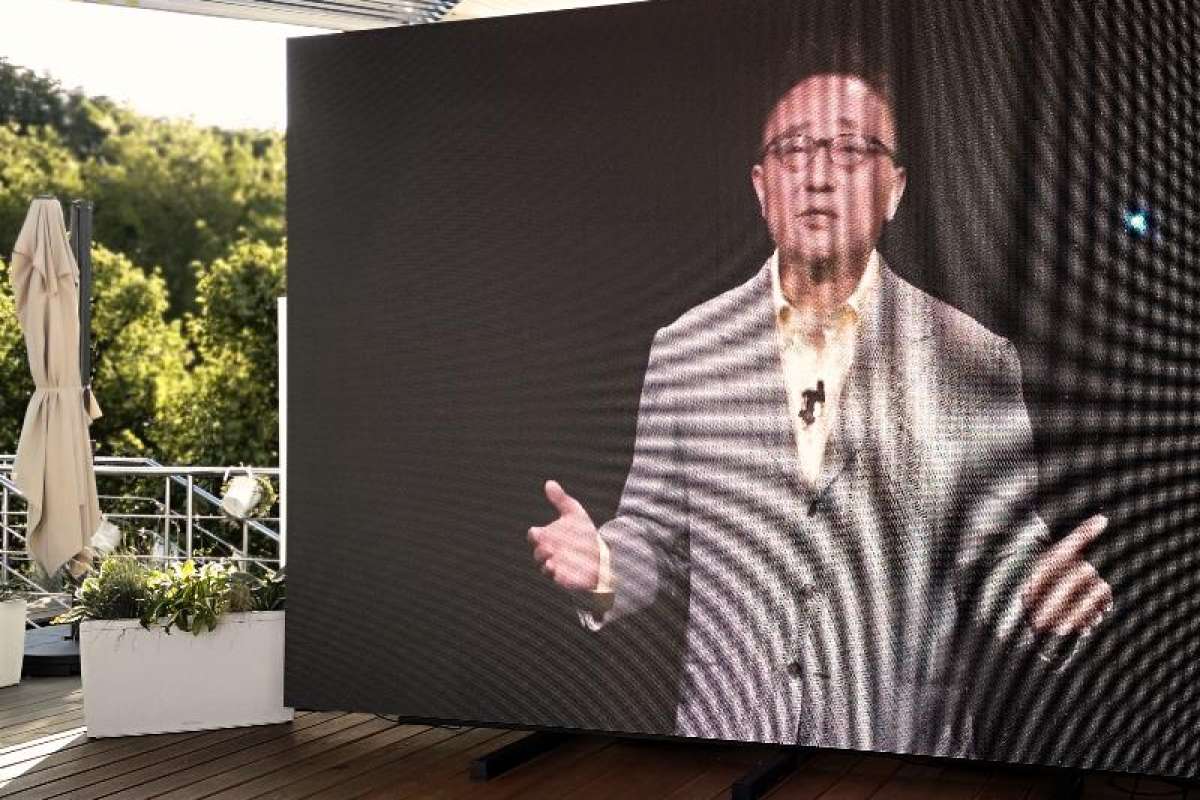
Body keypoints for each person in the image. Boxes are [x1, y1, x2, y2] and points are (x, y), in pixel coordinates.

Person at [526, 67, 1113, 753]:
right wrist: (604, 565)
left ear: (894, 189)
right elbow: (655, 536)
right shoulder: (687, 348)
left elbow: (999, 552)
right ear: (761, 187)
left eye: (852, 150)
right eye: (794, 150)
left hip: (896, 751)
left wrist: (1037, 601)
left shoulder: (970, 358)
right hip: (728, 739)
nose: (819, 176)